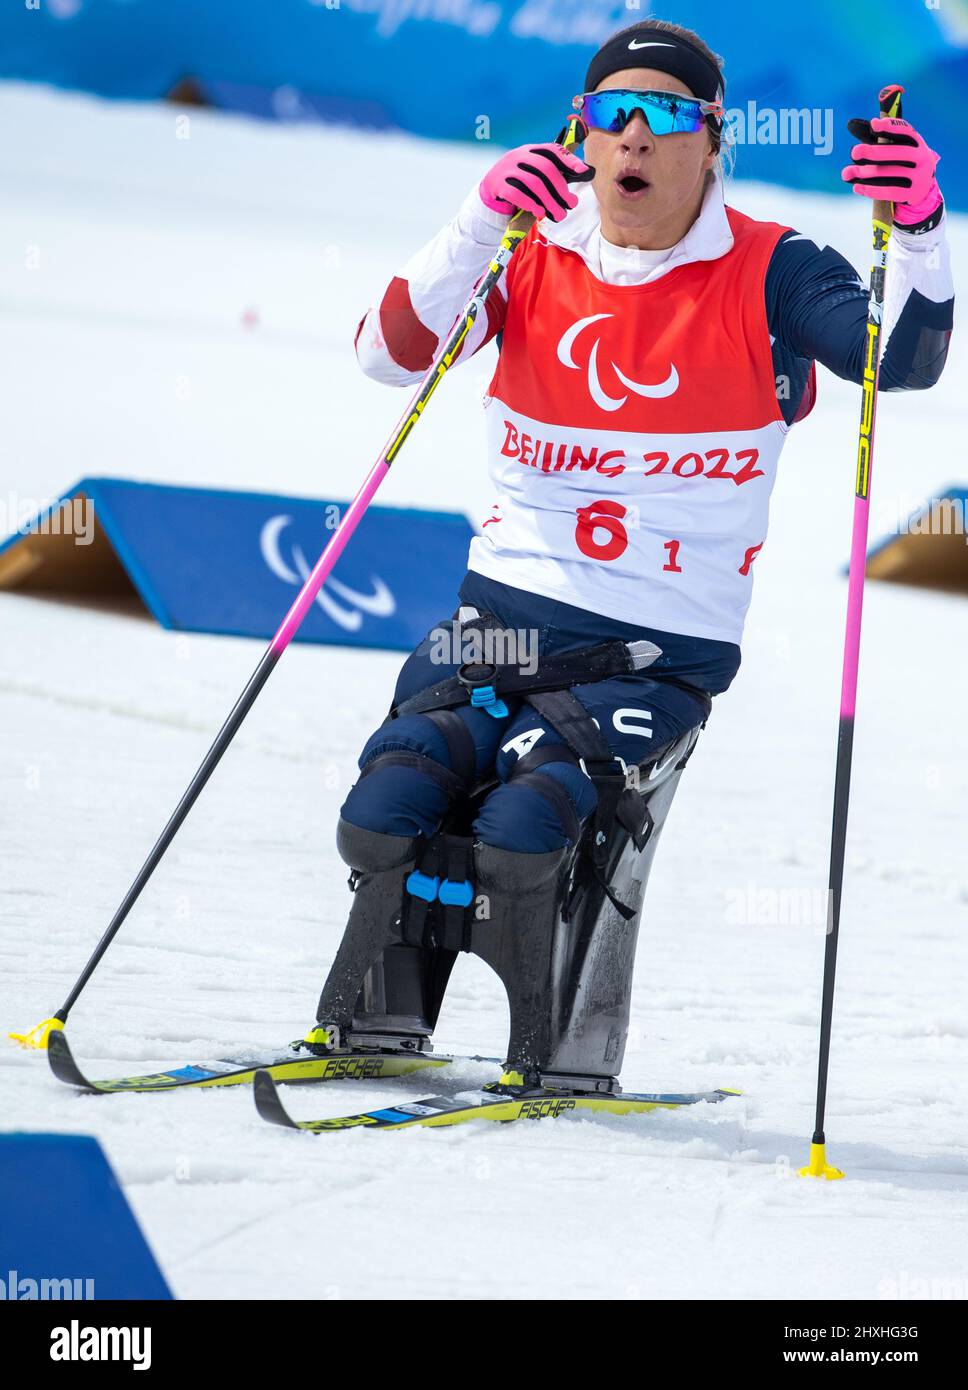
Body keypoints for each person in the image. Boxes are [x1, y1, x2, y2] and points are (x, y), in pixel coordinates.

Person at [305, 19, 954, 1091]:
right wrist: (475, 220)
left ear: (712, 141)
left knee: (523, 831)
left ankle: (558, 1050)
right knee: (384, 809)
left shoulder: (773, 269)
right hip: (499, 615)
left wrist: (920, 225)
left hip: (653, 646)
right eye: (612, 115)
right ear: (582, 133)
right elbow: (387, 356)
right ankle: (380, 1016)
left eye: (663, 118)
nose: (633, 140)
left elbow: (902, 360)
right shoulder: (530, 246)